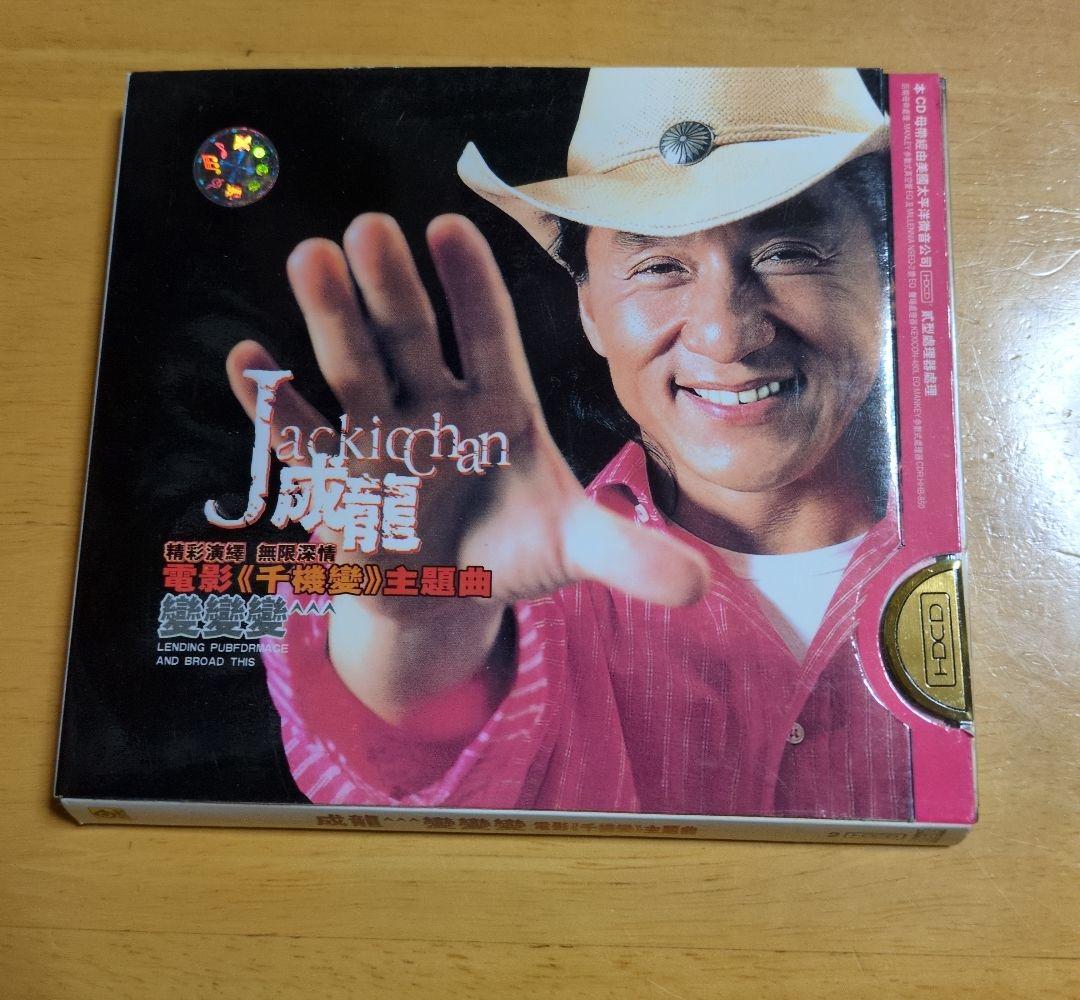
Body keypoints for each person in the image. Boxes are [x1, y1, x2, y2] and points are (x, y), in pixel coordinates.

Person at [227, 67, 913, 820]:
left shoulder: (976, 554)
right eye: (659, 268)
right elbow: (399, 771)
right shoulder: (515, 592)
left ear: (889, 274)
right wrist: (417, 634)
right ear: (589, 311)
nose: (725, 334)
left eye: (790, 251)